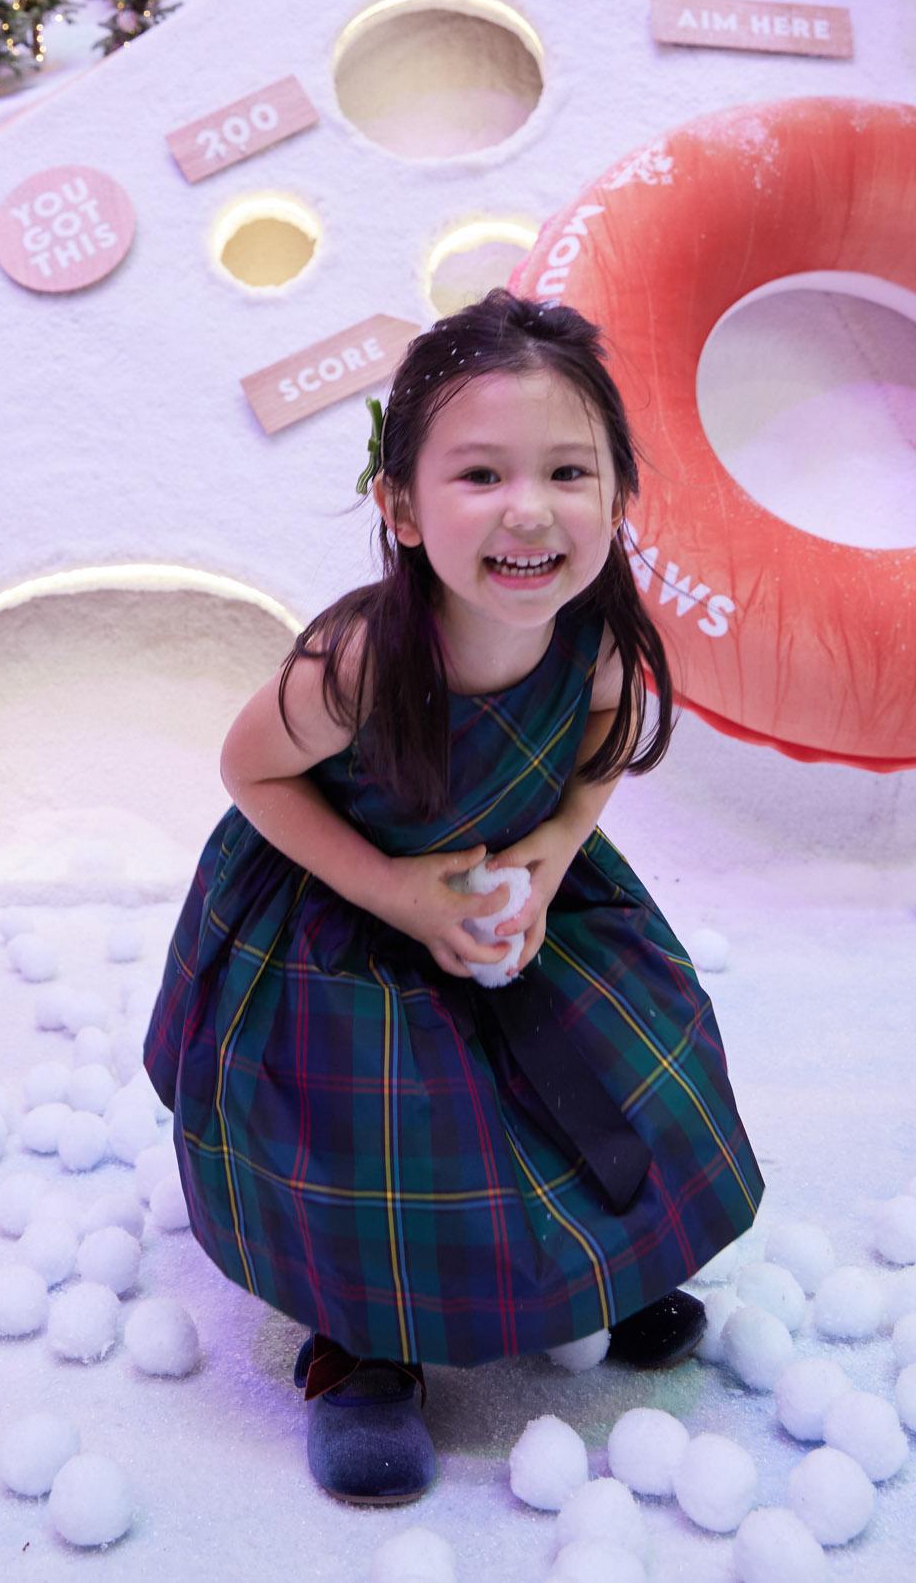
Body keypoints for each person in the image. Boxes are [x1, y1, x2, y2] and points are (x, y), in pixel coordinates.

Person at [145, 291, 764, 1507]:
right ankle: (362, 1346)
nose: (529, 508)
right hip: (344, 914)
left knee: (629, 1057)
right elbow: (250, 771)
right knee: (384, 1132)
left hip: (509, 893)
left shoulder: (595, 642)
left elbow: (600, 743)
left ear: (619, 500)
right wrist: (398, 892)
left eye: (568, 472)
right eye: (481, 473)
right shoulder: (359, 663)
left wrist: (556, 846)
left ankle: (604, 1262)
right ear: (401, 507)